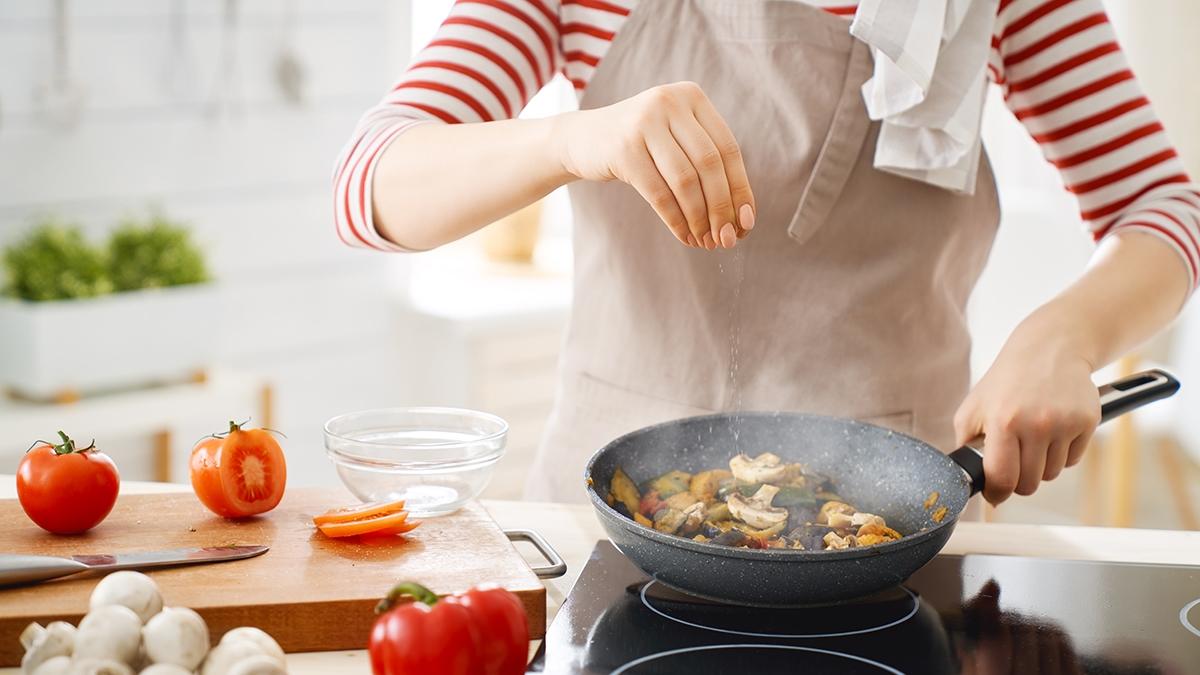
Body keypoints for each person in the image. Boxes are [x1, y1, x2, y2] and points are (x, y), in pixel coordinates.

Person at [333, 0, 1199, 506]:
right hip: (607, 514)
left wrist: (1063, 336)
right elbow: (368, 184)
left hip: (891, 524)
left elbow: (1165, 206)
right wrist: (569, 139)